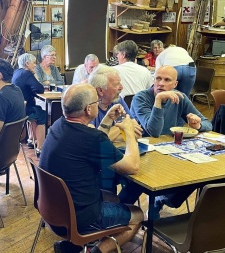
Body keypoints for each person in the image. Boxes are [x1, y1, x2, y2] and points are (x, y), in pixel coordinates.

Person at [39, 83, 143, 253]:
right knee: (138, 215)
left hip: (52, 212)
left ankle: (74, 247)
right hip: (81, 219)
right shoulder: (91, 138)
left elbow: (96, 137)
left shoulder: (58, 125)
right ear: (88, 109)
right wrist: (130, 131)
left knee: (112, 197)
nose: (100, 103)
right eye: (97, 102)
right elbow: (132, 166)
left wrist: (108, 118)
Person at [125, 65, 212, 217]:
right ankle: (131, 210)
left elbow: (207, 123)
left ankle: (162, 200)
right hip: (144, 154)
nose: (161, 83)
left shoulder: (180, 97)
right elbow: (154, 132)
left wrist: (197, 124)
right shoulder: (141, 98)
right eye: (158, 78)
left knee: (198, 174)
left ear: (175, 84)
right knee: (137, 183)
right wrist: (158, 101)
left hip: (171, 152)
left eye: (167, 80)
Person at [88, 66, 143, 142]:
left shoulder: (117, 100)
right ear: (100, 90)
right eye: (116, 85)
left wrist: (108, 136)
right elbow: (94, 140)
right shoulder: (88, 107)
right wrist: (122, 127)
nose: (121, 87)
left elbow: (137, 134)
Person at [12, 53, 46, 154]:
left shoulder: (17, 72)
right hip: (25, 109)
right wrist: (34, 75)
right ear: (27, 64)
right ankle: (41, 148)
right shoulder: (27, 74)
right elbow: (39, 88)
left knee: (35, 111)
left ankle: (31, 140)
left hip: (18, 107)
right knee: (41, 115)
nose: (35, 65)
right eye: (33, 63)